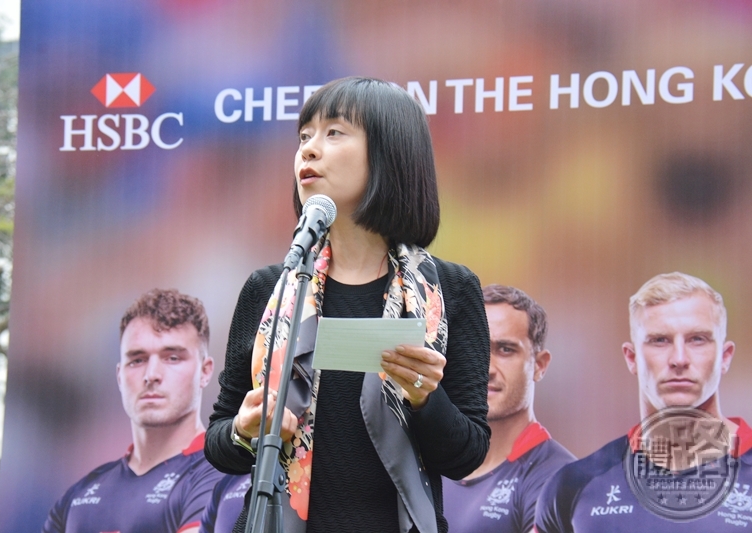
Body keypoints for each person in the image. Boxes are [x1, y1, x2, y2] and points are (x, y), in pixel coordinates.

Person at [204, 76, 491, 533]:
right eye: (304, 137)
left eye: (334, 133)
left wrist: (425, 399)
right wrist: (244, 430)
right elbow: (219, 443)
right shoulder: (270, 289)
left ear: (390, 153)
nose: (309, 150)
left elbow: (467, 455)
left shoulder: (450, 290)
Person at [535, 272, 752, 532]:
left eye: (697, 339)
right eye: (660, 340)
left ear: (725, 357)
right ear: (632, 357)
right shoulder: (574, 485)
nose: (679, 358)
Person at [44, 289, 223, 533]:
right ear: (119, 375)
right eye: (137, 360)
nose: (151, 375)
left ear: (205, 371)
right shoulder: (77, 496)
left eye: (172, 357)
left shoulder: (223, 475)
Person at [443, 285, 575, 533]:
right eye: (474, 349)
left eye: (505, 349)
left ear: (539, 365)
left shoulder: (558, 480)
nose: (486, 368)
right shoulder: (427, 462)